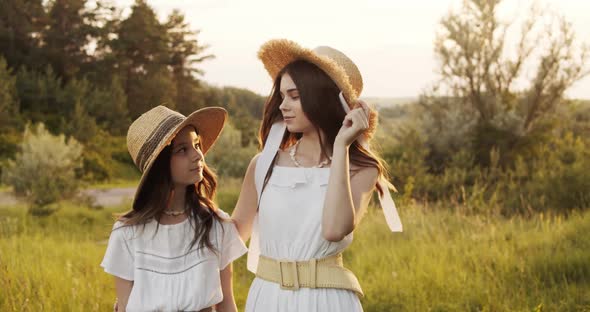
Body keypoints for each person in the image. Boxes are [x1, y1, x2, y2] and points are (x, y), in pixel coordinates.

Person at [231, 39, 403, 312]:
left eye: (295, 96)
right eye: (282, 96)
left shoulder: (360, 169)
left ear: (322, 98)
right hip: (268, 299)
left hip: (328, 302)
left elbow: (334, 229)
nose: (283, 106)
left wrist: (341, 146)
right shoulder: (263, 165)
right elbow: (231, 235)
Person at [102, 105, 247, 312]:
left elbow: (226, 305)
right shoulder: (127, 233)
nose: (198, 156)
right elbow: (124, 306)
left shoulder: (216, 225)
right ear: (159, 165)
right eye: (182, 149)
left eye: (197, 144)